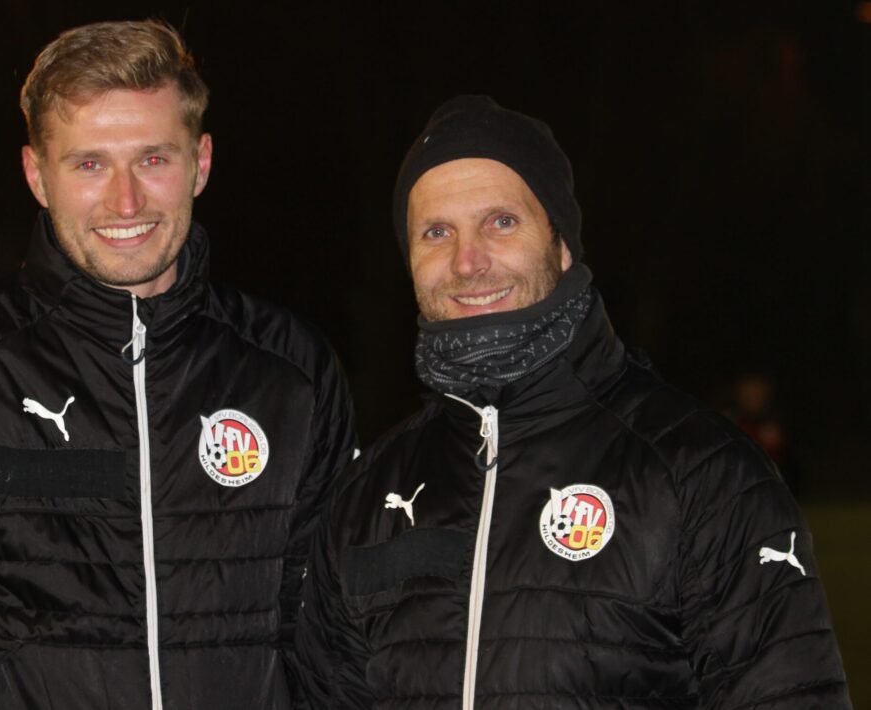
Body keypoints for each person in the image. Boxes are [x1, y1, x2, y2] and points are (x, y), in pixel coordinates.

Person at [0, 20, 356, 709]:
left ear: (201, 163)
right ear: (37, 176)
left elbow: (331, 644)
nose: (125, 201)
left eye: (153, 159)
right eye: (89, 165)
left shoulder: (291, 370)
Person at [295, 95, 850, 708]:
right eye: (436, 232)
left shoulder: (702, 473)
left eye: (501, 222)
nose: (467, 261)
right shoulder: (366, 495)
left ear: (561, 246)